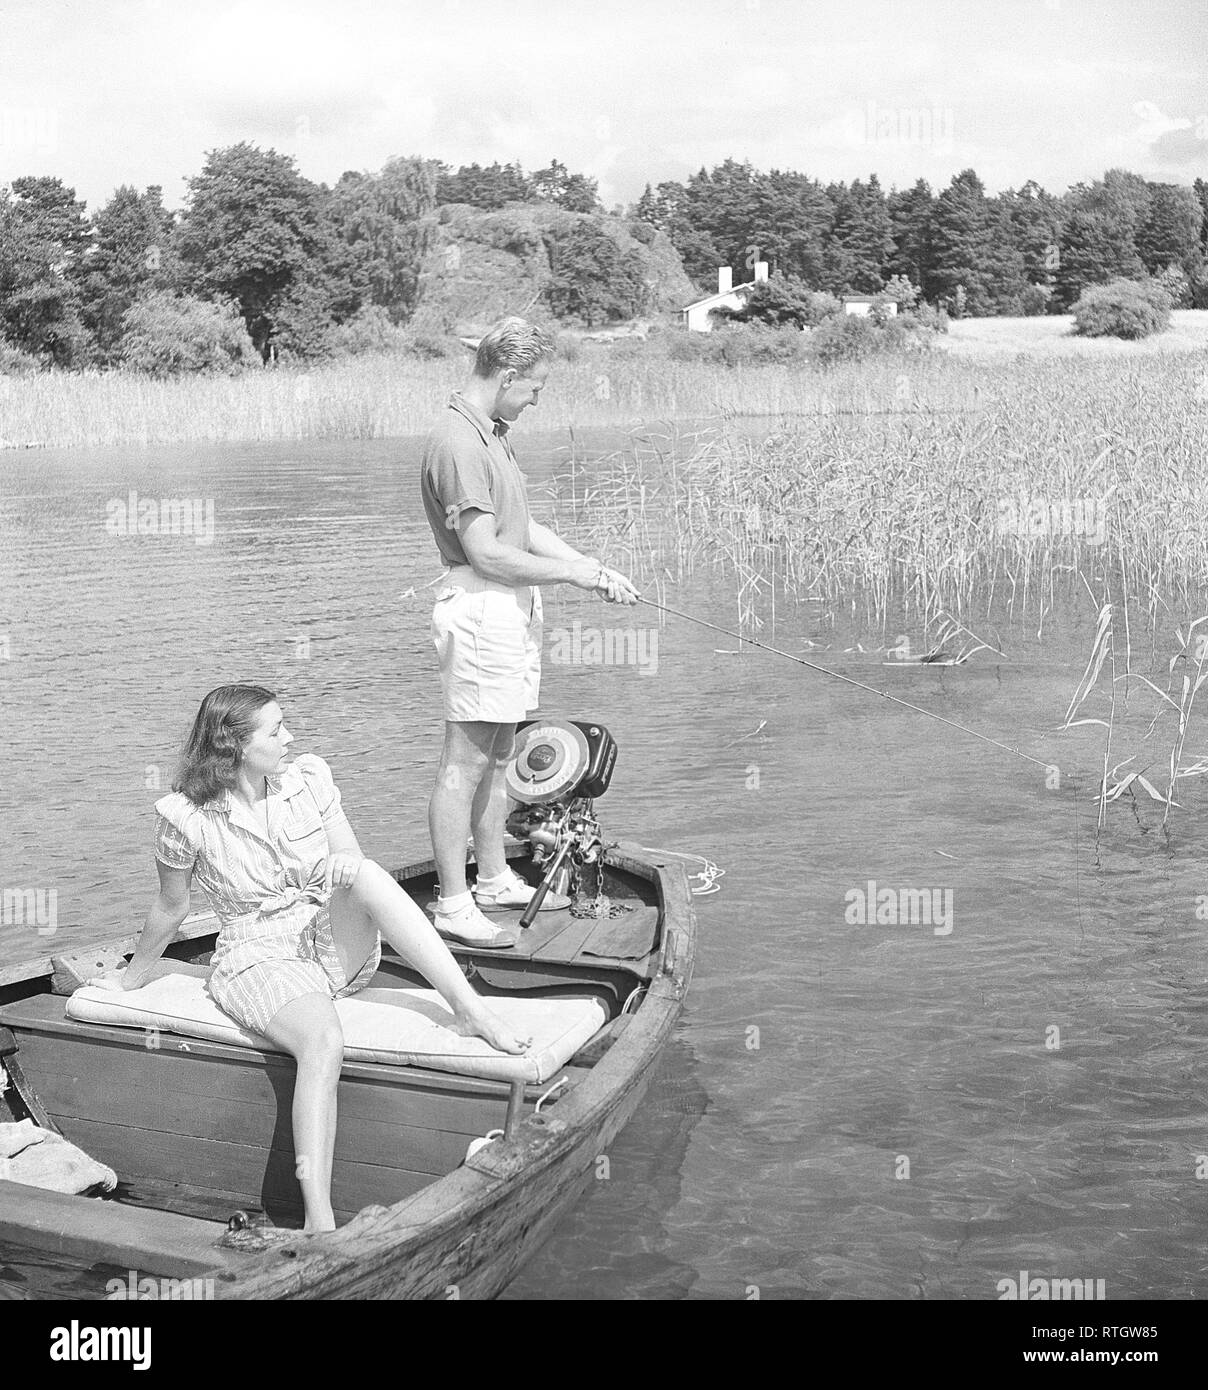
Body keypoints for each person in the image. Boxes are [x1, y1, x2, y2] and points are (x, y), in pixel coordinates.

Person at [93, 684, 528, 1233]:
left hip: (329, 936)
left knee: (367, 874)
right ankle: (319, 1219)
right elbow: (170, 907)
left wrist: (342, 869)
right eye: (275, 730)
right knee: (322, 1043)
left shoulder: (308, 779)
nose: (290, 737)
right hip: (257, 955)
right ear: (233, 744)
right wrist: (132, 979)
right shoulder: (184, 817)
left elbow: (349, 854)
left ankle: (468, 1009)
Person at [420, 317, 638, 950]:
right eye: (535, 388)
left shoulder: (493, 434)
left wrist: (592, 570)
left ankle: (491, 878)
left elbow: (524, 527)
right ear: (508, 375)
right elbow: (486, 553)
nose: (537, 400)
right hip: (482, 604)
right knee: (462, 763)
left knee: (498, 753)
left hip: (508, 606)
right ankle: (454, 904)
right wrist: (570, 574)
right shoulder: (459, 442)